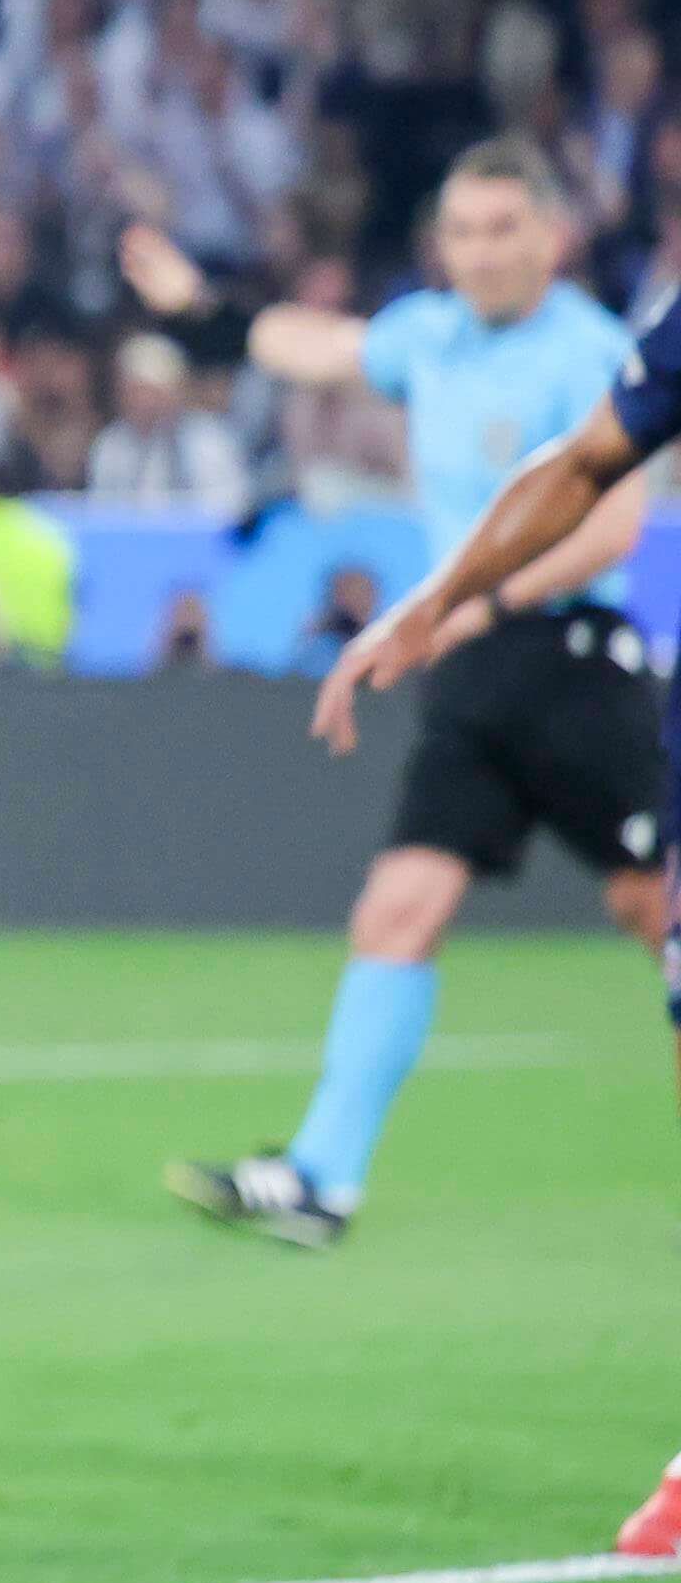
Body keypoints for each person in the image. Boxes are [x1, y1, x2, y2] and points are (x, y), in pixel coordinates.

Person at [131, 150, 658, 1247]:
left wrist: (474, 600)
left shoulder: (591, 350)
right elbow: (311, 345)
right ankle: (322, 1177)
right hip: (468, 675)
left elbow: (611, 523)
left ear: (549, 238)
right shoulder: (429, 334)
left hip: (570, 660)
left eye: (503, 226)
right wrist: (199, 308)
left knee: (654, 912)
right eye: (460, 229)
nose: (479, 249)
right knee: (396, 910)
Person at [318, 256, 681, 1552]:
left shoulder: (576, 330)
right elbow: (583, 466)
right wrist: (440, 598)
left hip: (578, 669)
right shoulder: (646, 341)